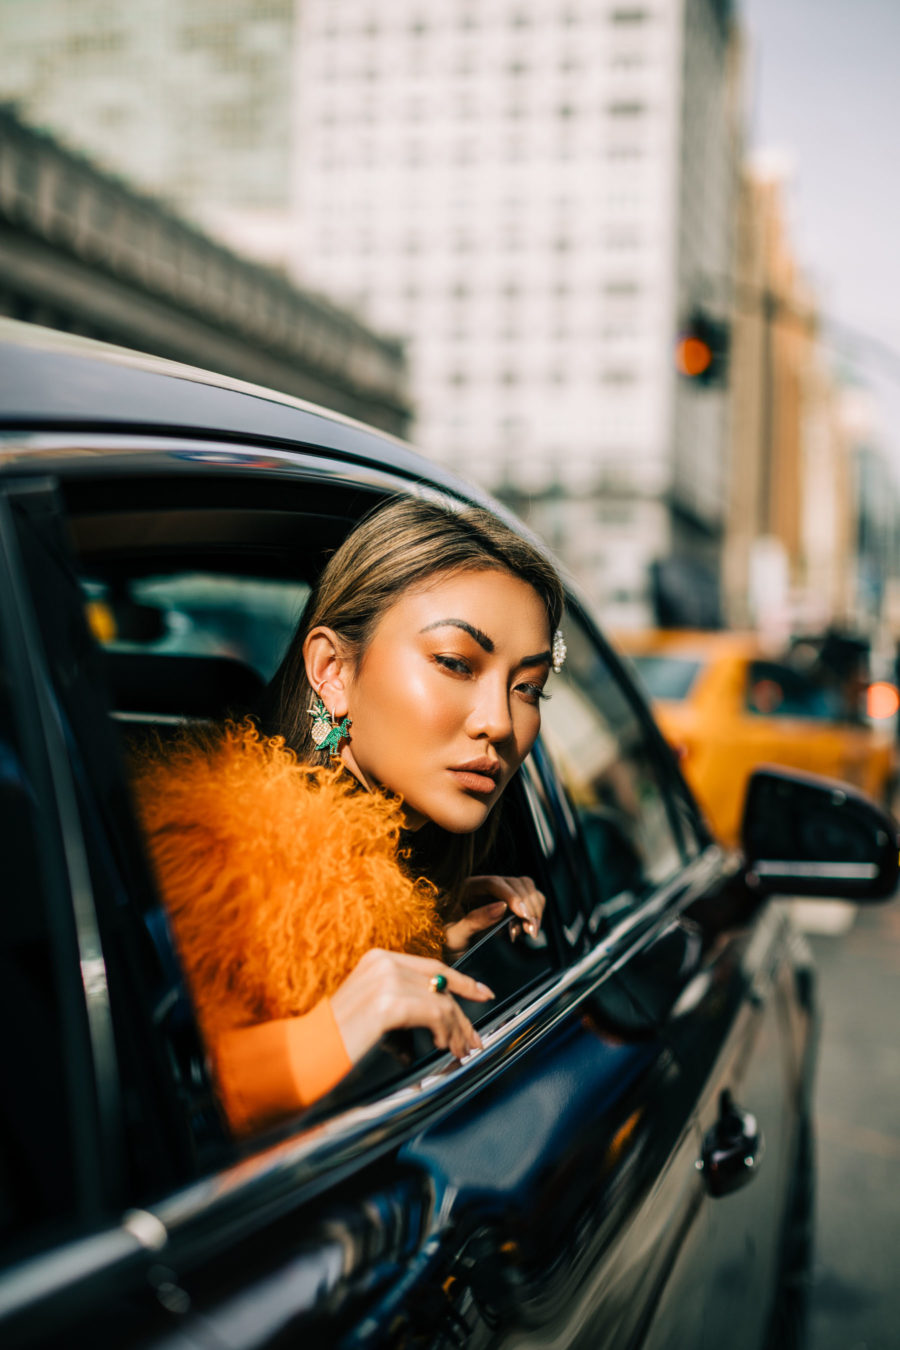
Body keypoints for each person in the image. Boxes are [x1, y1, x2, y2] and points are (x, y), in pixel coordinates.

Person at [132, 497, 565, 1136]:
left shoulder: (384, 873)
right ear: (332, 671)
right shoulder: (221, 851)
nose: (500, 722)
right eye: (455, 663)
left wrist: (436, 936)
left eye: (526, 687)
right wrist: (339, 1026)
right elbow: (146, 1102)